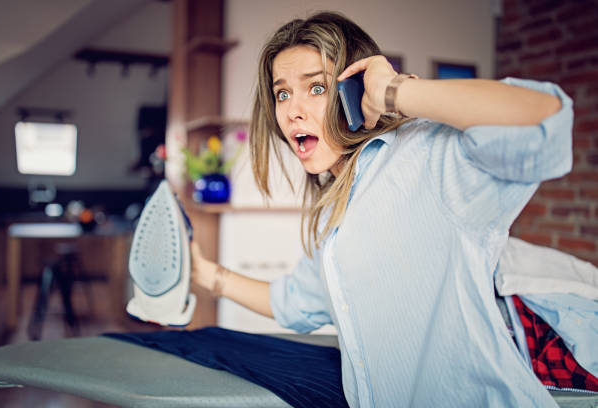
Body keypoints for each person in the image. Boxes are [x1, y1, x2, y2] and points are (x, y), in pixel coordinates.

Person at [190, 11, 573, 407]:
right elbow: (291, 303)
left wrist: (394, 91)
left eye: (316, 88)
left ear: (355, 90)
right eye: (282, 93)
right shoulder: (330, 219)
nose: (291, 111)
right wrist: (205, 274)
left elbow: (546, 119)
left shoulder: (426, 156)